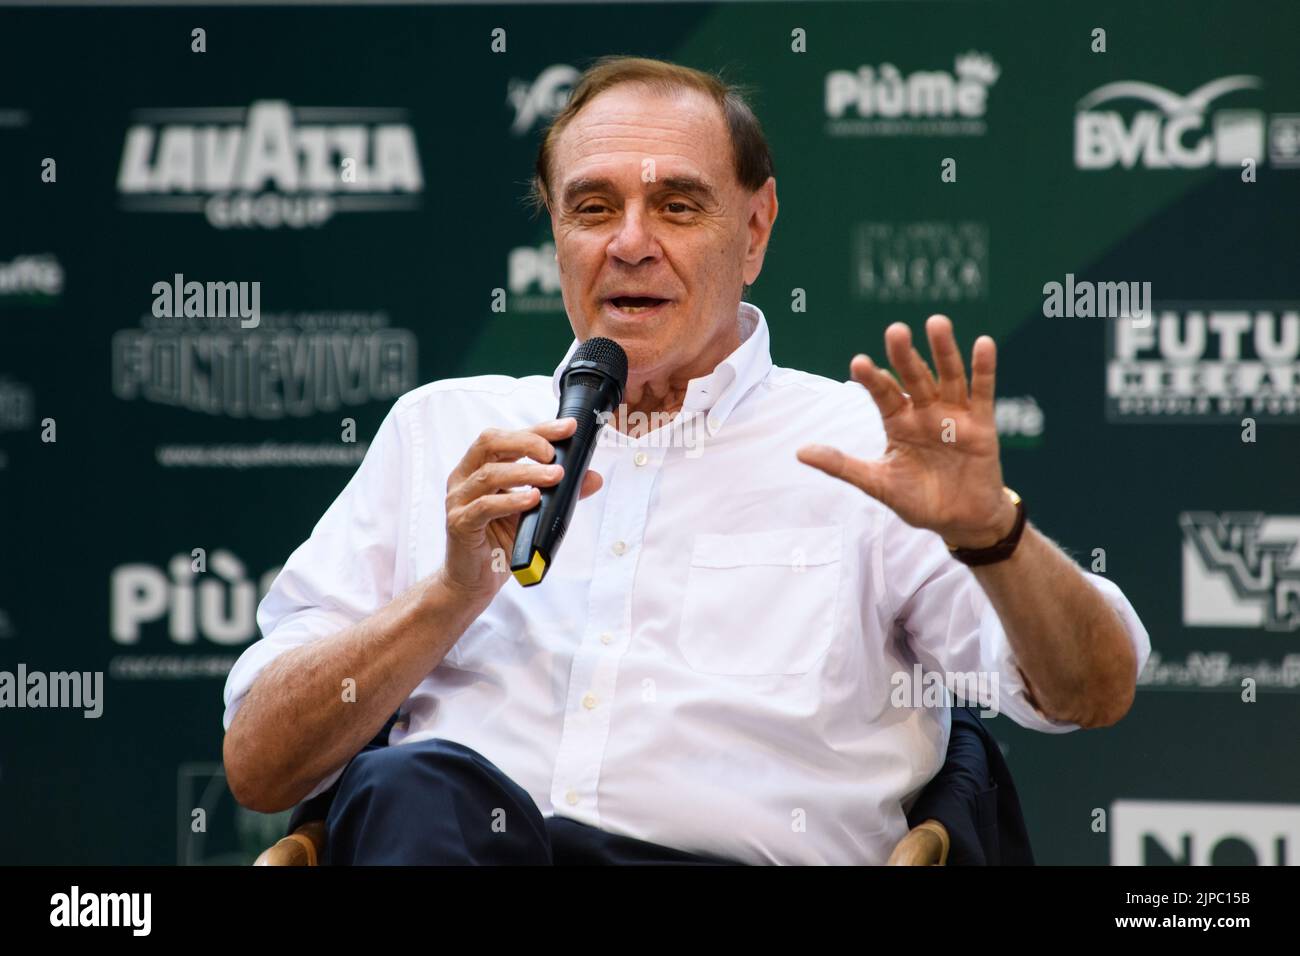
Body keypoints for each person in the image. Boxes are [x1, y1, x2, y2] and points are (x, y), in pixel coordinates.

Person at [222, 55, 1150, 865]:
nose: (630, 243)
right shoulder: (443, 431)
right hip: (455, 849)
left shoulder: (864, 448)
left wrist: (993, 534)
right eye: (593, 207)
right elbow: (262, 767)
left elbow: (1092, 692)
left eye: (676, 205)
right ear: (556, 235)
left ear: (754, 231)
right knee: (412, 789)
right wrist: (448, 595)